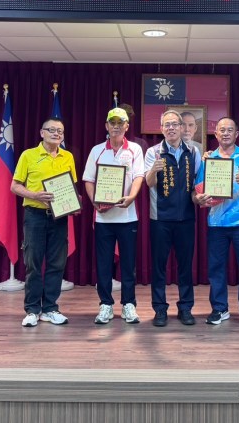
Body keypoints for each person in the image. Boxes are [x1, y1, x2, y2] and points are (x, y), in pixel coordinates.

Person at [193, 117, 239, 329]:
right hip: (216, 223)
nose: (225, 133)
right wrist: (199, 199)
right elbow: (197, 192)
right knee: (216, 269)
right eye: (221, 130)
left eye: (230, 130)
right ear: (216, 134)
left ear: (236, 134)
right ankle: (219, 309)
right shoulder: (208, 159)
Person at [12, 118, 77, 327]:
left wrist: (74, 204)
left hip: (59, 217)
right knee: (33, 263)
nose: (57, 134)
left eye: (60, 131)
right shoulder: (28, 155)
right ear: (42, 133)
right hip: (35, 215)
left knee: (56, 264)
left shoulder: (68, 156)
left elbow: (71, 187)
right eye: (52, 130)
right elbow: (15, 186)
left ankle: (50, 308)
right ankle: (32, 310)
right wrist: (34, 195)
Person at [83, 107, 145, 325]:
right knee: (103, 263)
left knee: (128, 263)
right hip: (103, 218)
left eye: (120, 123)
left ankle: (129, 304)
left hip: (128, 217)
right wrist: (94, 201)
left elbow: (138, 177)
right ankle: (106, 304)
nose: (116, 126)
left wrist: (131, 197)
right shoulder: (97, 150)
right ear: (106, 126)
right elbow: (89, 180)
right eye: (112, 122)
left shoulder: (135, 149)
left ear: (127, 126)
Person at [144, 109, 202, 327]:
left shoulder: (193, 151)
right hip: (160, 218)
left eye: (174, 124)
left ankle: (185, 308)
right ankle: (160, 309)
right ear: (161, 129)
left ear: (181, 127)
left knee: (185, 266)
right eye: (166, 125)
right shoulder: (153, 152)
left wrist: (199, 197)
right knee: (159, 266)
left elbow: (197, 184)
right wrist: (154, 169)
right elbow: (149, 183)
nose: (171, 128)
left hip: (186, 218)